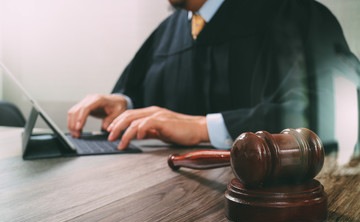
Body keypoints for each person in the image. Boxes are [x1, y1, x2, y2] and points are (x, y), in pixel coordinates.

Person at [67, 0, 360, 150]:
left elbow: (339, 110)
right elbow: (149, 99)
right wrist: (125, 103)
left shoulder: (291, 12)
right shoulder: (167, 32)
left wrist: (203, 128)